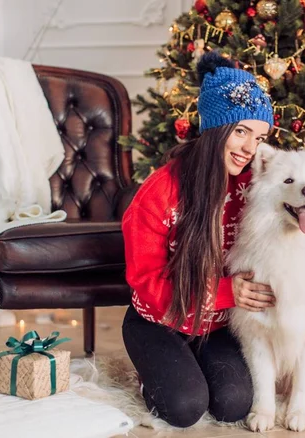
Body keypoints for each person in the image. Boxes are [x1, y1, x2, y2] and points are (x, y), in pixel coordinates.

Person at [121, 52, 275, 428]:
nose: (249, 149)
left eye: (260, 137)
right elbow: (147, 282)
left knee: (234, 404)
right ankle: (154, 374)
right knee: (185, 408)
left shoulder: (252, 186)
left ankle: (191, 367)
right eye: (240, 131)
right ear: (214, 128)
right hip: (158, 320)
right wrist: (227, 293)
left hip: (217, 325)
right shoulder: (161, 191)